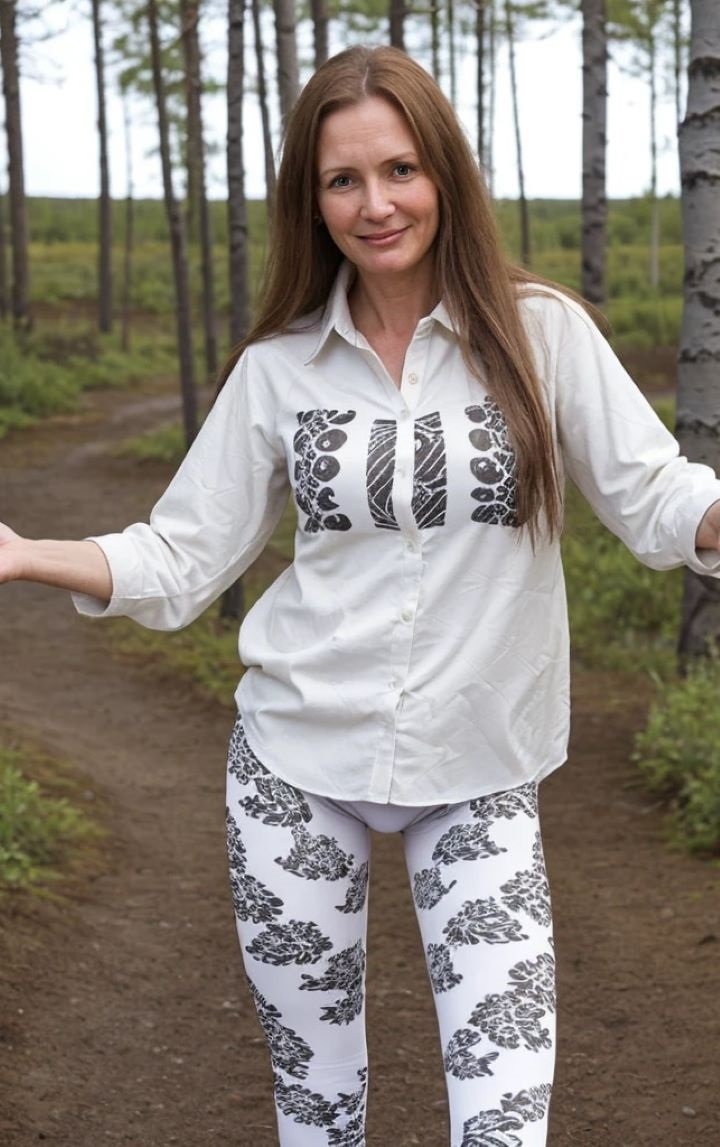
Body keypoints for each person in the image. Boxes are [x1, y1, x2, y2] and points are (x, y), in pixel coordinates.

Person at [2, 44, 720, 1147]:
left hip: (481, 759)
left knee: (505, 1120)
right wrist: (22, 553)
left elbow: (657, 492)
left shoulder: (542, 335)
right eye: (343, 179)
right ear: (313, 198)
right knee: (319, 1107)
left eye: (400, 170)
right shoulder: (280, 367)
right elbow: (181, 555)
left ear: (445, 174)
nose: (375, 204)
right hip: (295, 759)